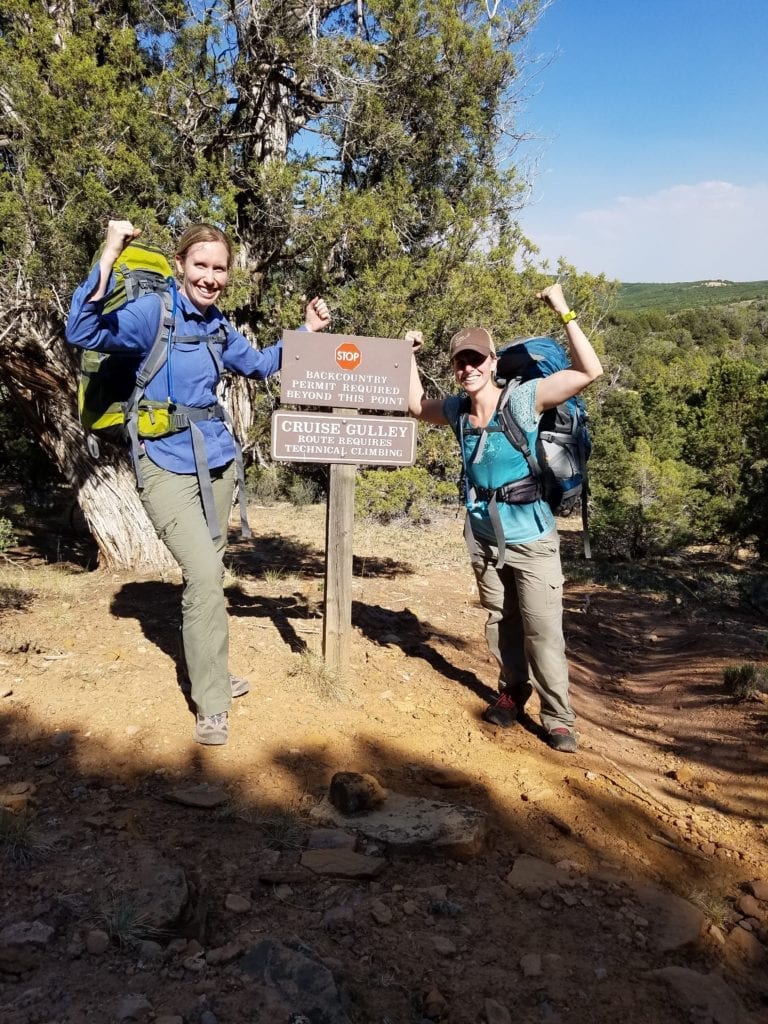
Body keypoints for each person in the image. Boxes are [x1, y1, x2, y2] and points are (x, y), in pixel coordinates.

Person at [67, 219, 331, 746]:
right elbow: (81, 331)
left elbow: (258, 366)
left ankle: (208, 665)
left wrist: (306, 332)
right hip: (163, 464)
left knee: (204, 577)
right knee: (208, 576)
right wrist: (111, 249)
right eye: (201, 266)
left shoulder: (217, 326)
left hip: (217, 463)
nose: (210, 277)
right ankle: (211, 701)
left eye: (219, 268)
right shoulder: (154, 313)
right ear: (182, 265)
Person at [407, 283, 602, 753]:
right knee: (501, 620)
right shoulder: (455, 411)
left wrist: (564, 311)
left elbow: (589, 371)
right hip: (484, 538)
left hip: (532, 537)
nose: (468, 368)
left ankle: (558, 717)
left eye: (477, 359)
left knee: (542, 629)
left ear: (493, 361)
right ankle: (513, 692)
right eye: (460, 362)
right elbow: (414, 406)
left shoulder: (523, 399)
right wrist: (405, 353)